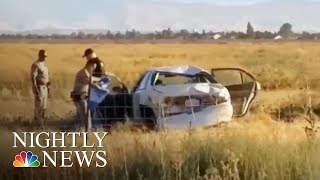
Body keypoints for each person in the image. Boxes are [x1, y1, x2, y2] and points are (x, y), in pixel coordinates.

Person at [71, 48, 105, 129]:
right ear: (91, 66)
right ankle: (85, 136)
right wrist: (101, 90)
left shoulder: (87, 72)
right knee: (86, 121)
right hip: (80, 98)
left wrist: (101, 80)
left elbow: (92, 79)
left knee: (83, 119)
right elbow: (90, 82)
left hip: (82, 97)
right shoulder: (83, 73)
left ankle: (80, 133)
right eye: (93, 67)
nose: (93, 69)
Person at [30, 49, 50, 128]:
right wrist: (35, 90)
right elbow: (33, 78)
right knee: (39, 106)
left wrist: (48, 87)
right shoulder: (36, 65)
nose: (45, 57)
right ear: (39, 55)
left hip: (45, 88)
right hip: (39, 87)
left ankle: (42, 123)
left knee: (44, 107)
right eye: (43, 56)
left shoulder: (44, 65)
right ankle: (36, 123)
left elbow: (47, 76)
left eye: (46, 56)